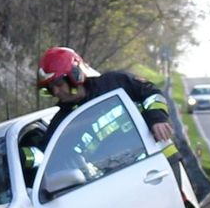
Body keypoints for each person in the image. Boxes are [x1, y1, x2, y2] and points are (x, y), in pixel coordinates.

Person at [36, 46, 175, 149]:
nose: (55, 91)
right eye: (50, 88)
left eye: (58, 84)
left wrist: (157, 119)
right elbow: (47, 154)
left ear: (75, 75)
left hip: (160, 158)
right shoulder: (63, 122)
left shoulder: (113, 83)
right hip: (121, 176)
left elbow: (151, 92)